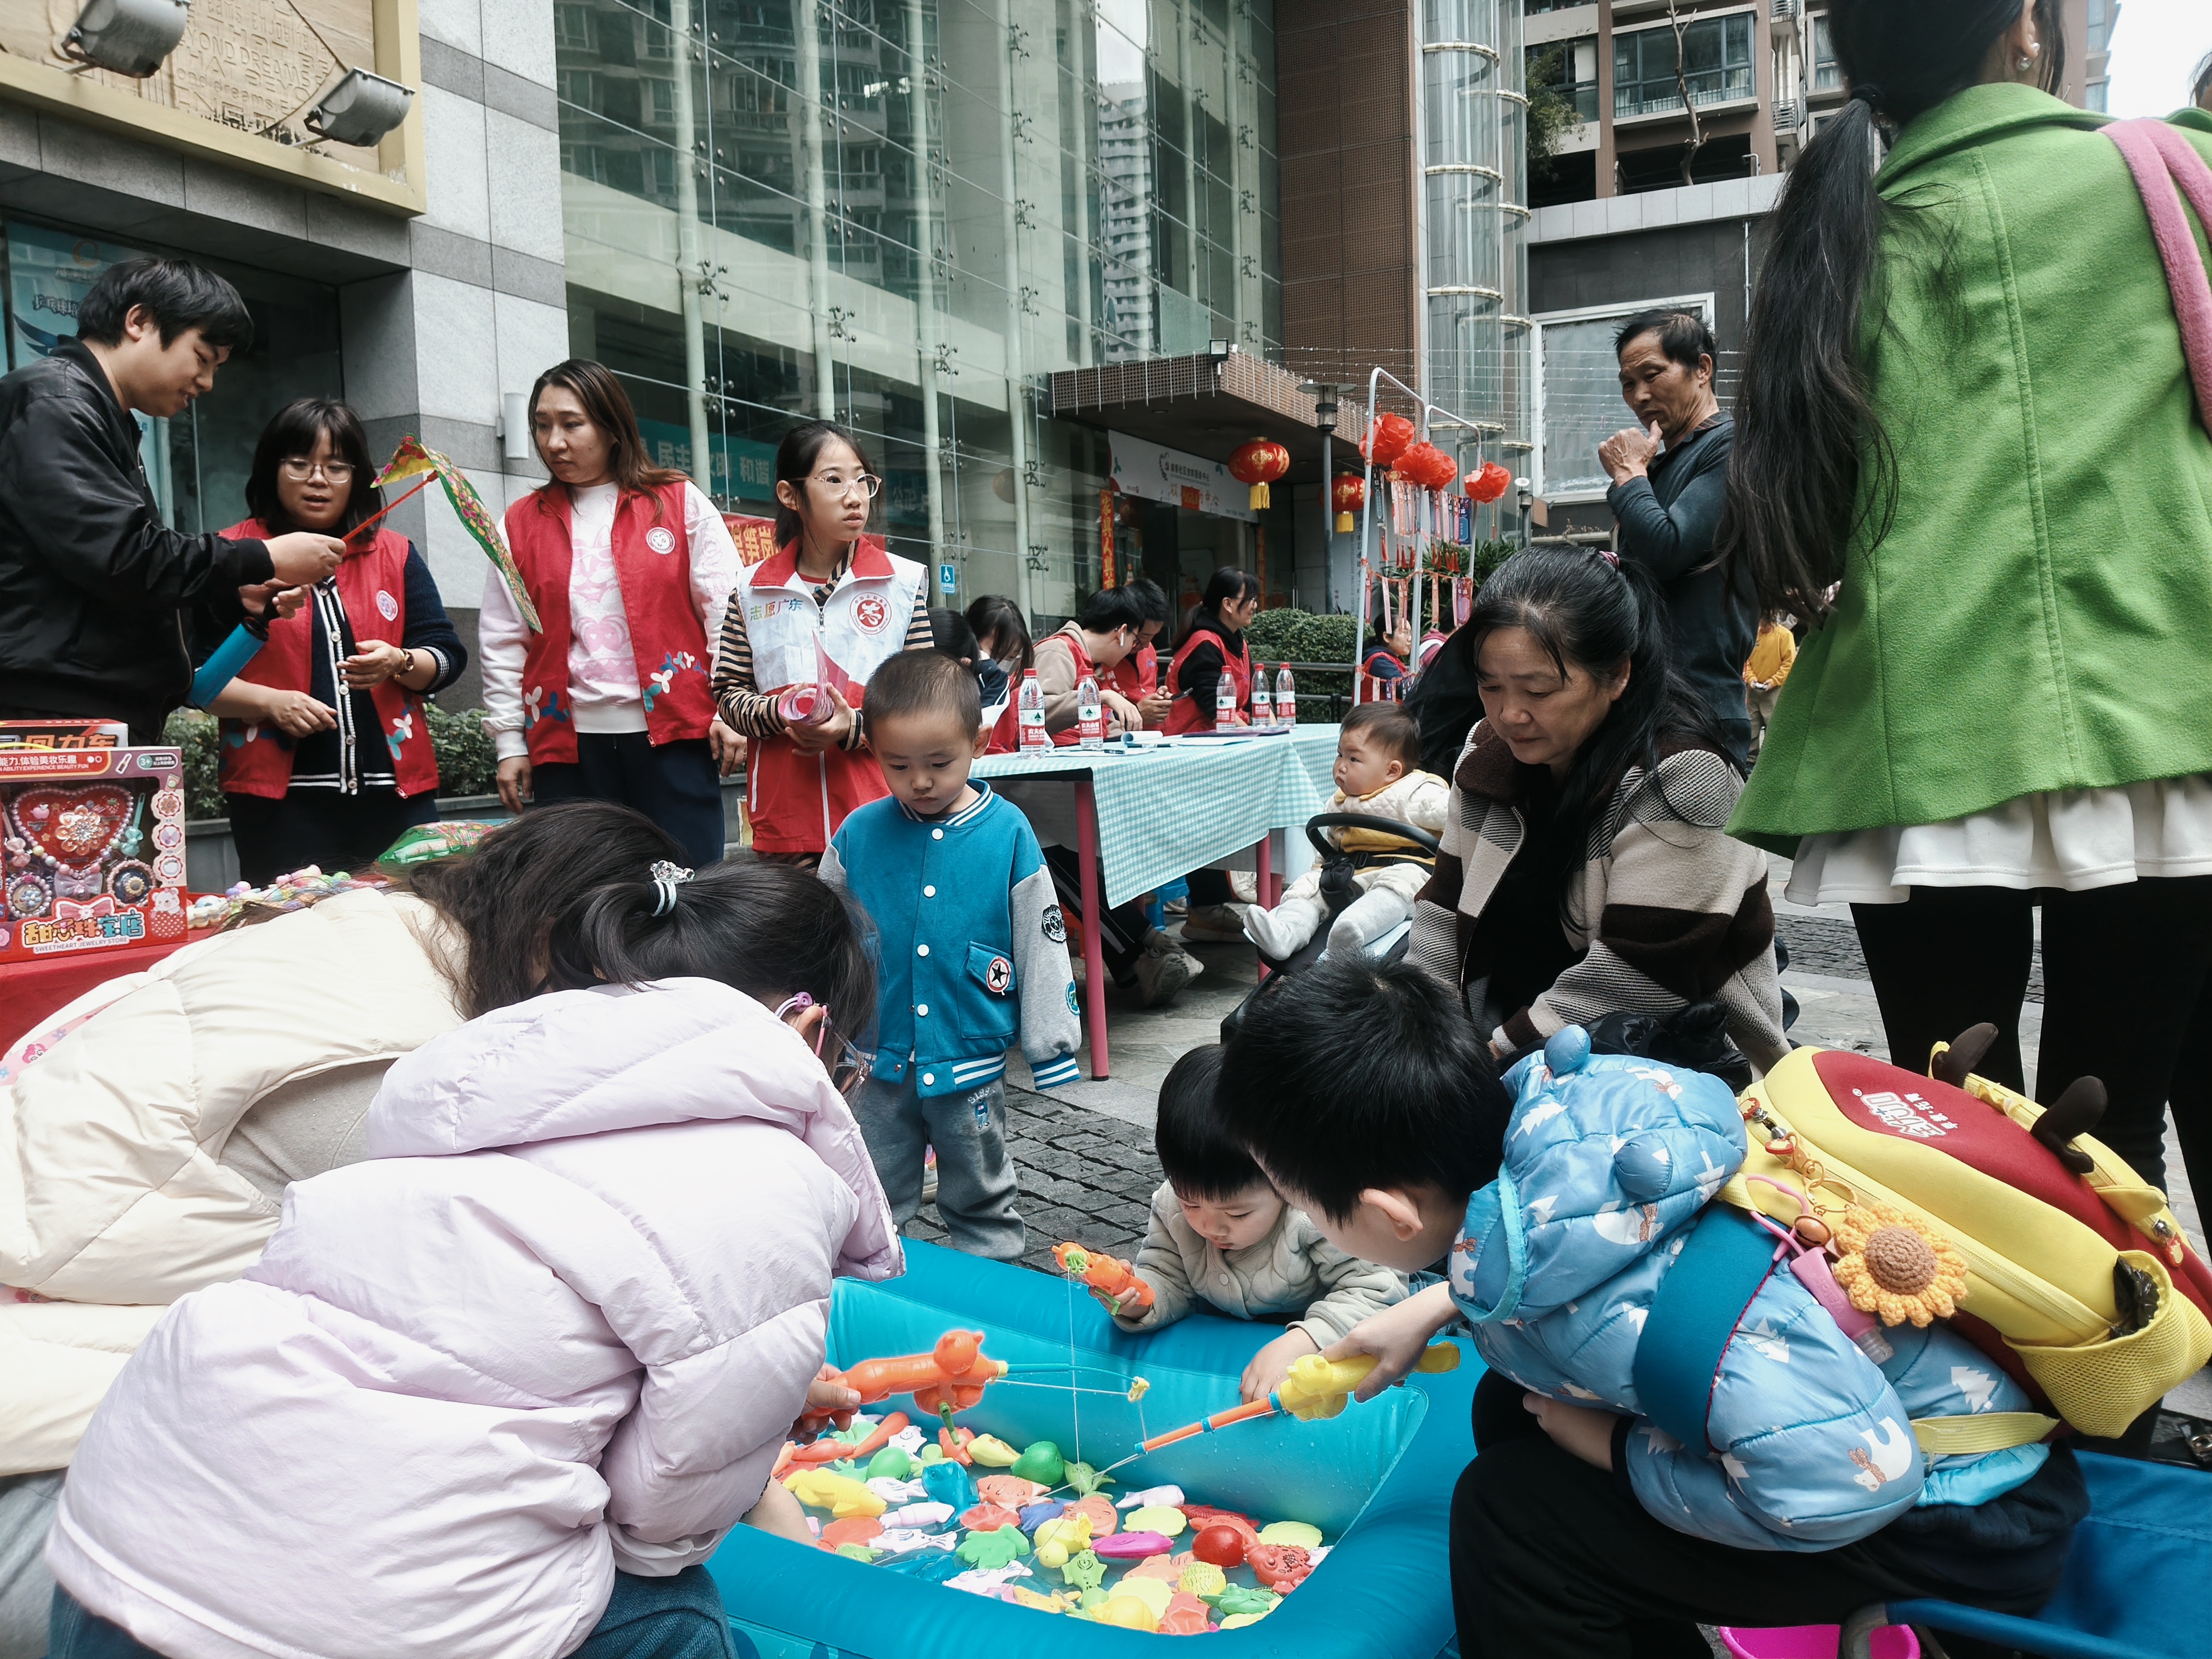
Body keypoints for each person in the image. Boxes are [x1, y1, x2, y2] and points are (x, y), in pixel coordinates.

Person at [41, 859, 900, 1659]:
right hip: (330, 1625)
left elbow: (484, 1340)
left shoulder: (471, 1087)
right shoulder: (766, 1175)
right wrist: (740, 1433)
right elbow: (664, 1518)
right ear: (809, 1032)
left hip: (114, 1556)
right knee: (684, 1617)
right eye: (850, 1071)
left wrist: (751, 1391)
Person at [1211, 956, 2087, 1659]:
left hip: (1961, 1512)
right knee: (1508, 1410)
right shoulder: (1562, 1115)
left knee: (1510, 1521)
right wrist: (1438, 1304)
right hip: (1849, 1424)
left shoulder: (1646, 1320)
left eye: (1303, 1203)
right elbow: (1565, 1254)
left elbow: (1847, 1484)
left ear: (1388, 1215)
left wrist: (1616, 1449)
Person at [0, 801, 691, 1659]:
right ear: (559, 945)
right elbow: (491, 1334)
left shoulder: (368, 929)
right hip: (53, 1481)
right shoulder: (402, 1068)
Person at [1721, 1, 2212, 1196]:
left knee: (1953, 1146)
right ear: (2025, 32)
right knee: (2114, 1133)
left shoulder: (1840, 234)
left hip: (1914, 738)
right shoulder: (2164, 168)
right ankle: (2119, 1325)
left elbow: (1806, 522)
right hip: (2161, 710)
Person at [1408, 548, 1783, 1068]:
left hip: (1661, 1067)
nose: (1509, 714)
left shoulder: (1685, 780)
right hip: (1499, 1048)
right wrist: (1423, 1037)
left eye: (1538, 690)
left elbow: (1633, 979)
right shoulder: (1486, 751)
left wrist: (1483, 1063)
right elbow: (1442, 909)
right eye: (1489, 686)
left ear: (1617, 675)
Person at [0, 258, 343, 741]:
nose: (207, 383)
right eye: (202, 358)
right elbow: (123, 557)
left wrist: (232, 594)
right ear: (139, 322)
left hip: (83, 714)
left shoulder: (95, 412)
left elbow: (118, 577)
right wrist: (261, 557)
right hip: (54, 719)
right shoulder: (56, 404)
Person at [822, 650, 1082, 1260]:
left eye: (939, 763)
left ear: (978, 742)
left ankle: (991, 1281)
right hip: (875, 1058)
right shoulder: (857, 833)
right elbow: (819, 935)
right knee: (873, 1193)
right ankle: (877, 1287)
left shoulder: (1008, 831)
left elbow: (1040, 937)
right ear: (873, 750)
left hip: (970, 1058)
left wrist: (1050, 1044)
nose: (919, 781)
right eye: (898, 765)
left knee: (981, 1192)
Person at [484, 359, 741, 870]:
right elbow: (503, 638)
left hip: (674, 738)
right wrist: (510, 743)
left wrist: (729, 710)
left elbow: (727, 611)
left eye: (572, 424)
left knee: (688, 885)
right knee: (580, 892)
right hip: (567, 747)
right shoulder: (518, 523)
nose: (554, 442)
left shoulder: (677, 502)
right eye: (542, 425)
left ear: (612, 427)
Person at [201, 399, 467, 884]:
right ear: (271, 469)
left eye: (337, 467)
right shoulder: (233, 555)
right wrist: (271, 703)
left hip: (396, 798)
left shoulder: (395, 553)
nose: (318, 480)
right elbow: (196, 678)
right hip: (279, 806)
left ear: (358, 477)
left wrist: (400, 661)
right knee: (290, 923)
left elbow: (447, 656)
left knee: (409, 919)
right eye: (299, 464)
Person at [1099, 1044, 1406, 1404]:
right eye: (1191, 1203)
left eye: (1237, 1214)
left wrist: (1305, 1341)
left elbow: (1377, 1290)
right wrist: (1140, 1299)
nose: (1210, 1227)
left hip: (1318, 1328)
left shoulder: (1315, 1214)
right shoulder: (1172, 1206)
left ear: (1285, 1180)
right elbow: (1168, 1277)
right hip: (1220, 1333)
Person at [714, 420, 929, 865]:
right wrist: (779, 711)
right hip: (786, 824)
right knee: (798, 914)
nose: (855, 497)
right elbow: (729, 694)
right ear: (790, 495)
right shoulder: (750, 590)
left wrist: (851, 727)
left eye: (862, 481)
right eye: (834, 481)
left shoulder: (903, 584)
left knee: (876, 913)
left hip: (885, 812)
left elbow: (925, 701)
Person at [1596, 307, 1755, 762]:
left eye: (1652, 375)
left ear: (1702, 369)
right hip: (1648, 698)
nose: (1639, 395)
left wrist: (1629, 475)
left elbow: (1667, 549)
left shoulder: (1731, 445)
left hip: (1698, 703)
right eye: (1628, 383)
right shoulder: (1664, 462)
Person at [1243, 703, 1447, 959]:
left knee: (1400, 885)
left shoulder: (1416, 794)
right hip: (1348, 874)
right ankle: (1286, 934)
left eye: (1354, 759)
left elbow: (1455, 815)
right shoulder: (1338, 802)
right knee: (1308, 888)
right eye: (1340, 754)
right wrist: (1318, 873)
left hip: (1405, 870)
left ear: (1392, 771)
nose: (1341, 766)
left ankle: (1353, 931)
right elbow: (1331, 846)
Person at [1164, 568, 1265, 943]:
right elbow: (1215, 707)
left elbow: (1250, 702)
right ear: (1227, 604)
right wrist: (1257, 729)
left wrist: (1269, 723)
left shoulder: (1236, 640)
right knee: (1204, 828)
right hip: (1192, 750)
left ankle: (1209, 909)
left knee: (1215, 828)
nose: (1255, 606)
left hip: (1220, 749)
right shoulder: (1205, 642)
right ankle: (1205, 910)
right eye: (1249, 599)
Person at [1033, 585, 1148, 741]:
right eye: (1134, 641)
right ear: (1122, 633)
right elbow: (1038, 713)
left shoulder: (1094, 665)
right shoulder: (1057, 650)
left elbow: (1106, 726)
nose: (1132, 649)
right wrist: (1100, 697)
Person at [1100, 577, 1174, 729]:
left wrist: (1159, 699)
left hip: (1153, 736)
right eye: (1142, 638)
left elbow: (1148, 689)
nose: (1146, 645)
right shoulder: (1100, 657)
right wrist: (1136, 712)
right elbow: (1087, 715)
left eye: (1153, 637)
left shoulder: (1149, 649)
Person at [967, 594, 1032, 753]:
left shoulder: (1013, 693)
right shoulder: (951, 685)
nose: (996, 665)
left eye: (1010, 658)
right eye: (992, 653)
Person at [1741, 613, 1796, 763]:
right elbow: (1747, 660)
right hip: (1754, 689)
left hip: (1774, 690)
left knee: (1772, 724)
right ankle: (1750, 759)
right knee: (1752, 724)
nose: (1762, 625)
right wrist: (1751, 678)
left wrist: (1774, 681)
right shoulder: (1754, 635)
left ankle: (1770, 759)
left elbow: (1789, 663)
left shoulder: (1784, 635)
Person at [1358, 617, 1415, 703]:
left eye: (1410, 633)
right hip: (1378, 711)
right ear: (1387, 637)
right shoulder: (1379, 661)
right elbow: (1404, 690)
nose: (1410, 638)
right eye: (1405, 632)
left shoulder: (1389, 659)